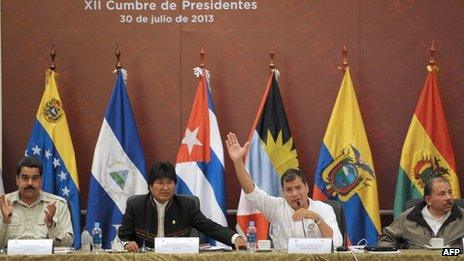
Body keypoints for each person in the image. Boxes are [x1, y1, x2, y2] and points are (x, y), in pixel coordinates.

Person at [225, 132, 343, 249]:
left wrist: (317, 218)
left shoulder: (323, 209)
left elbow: (337, 243)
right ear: (283, 192)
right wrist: (238, 162)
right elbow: (251, 191)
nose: (295, 194)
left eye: (298, 188)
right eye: (289, 190)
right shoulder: (276, 207)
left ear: (306, 187)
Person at [118, 161, 247, 251]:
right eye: (160, 182)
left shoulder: (186, 206)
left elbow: (210, 228)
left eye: (170, 182)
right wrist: (128, 243)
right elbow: (124, 235)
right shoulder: (136, 205)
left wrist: (235, 238)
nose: (165, 187)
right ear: (150, 186)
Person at [0, 156, 74, 247]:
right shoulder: (3, 204)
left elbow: (68, 244)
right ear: (17, 180)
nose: (30, 183)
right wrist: (4, 221)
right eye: (25, 178)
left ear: (41, 181)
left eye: (35, 178)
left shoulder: (58, 204)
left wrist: (51, 224)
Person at [378, 176, 464, 248]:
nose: (448, 197)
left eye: (450, 192)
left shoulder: (461, 216)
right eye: (442, 194)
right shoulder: (408, 217)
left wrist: (450, 253)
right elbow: (387, 238)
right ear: (428, 200)